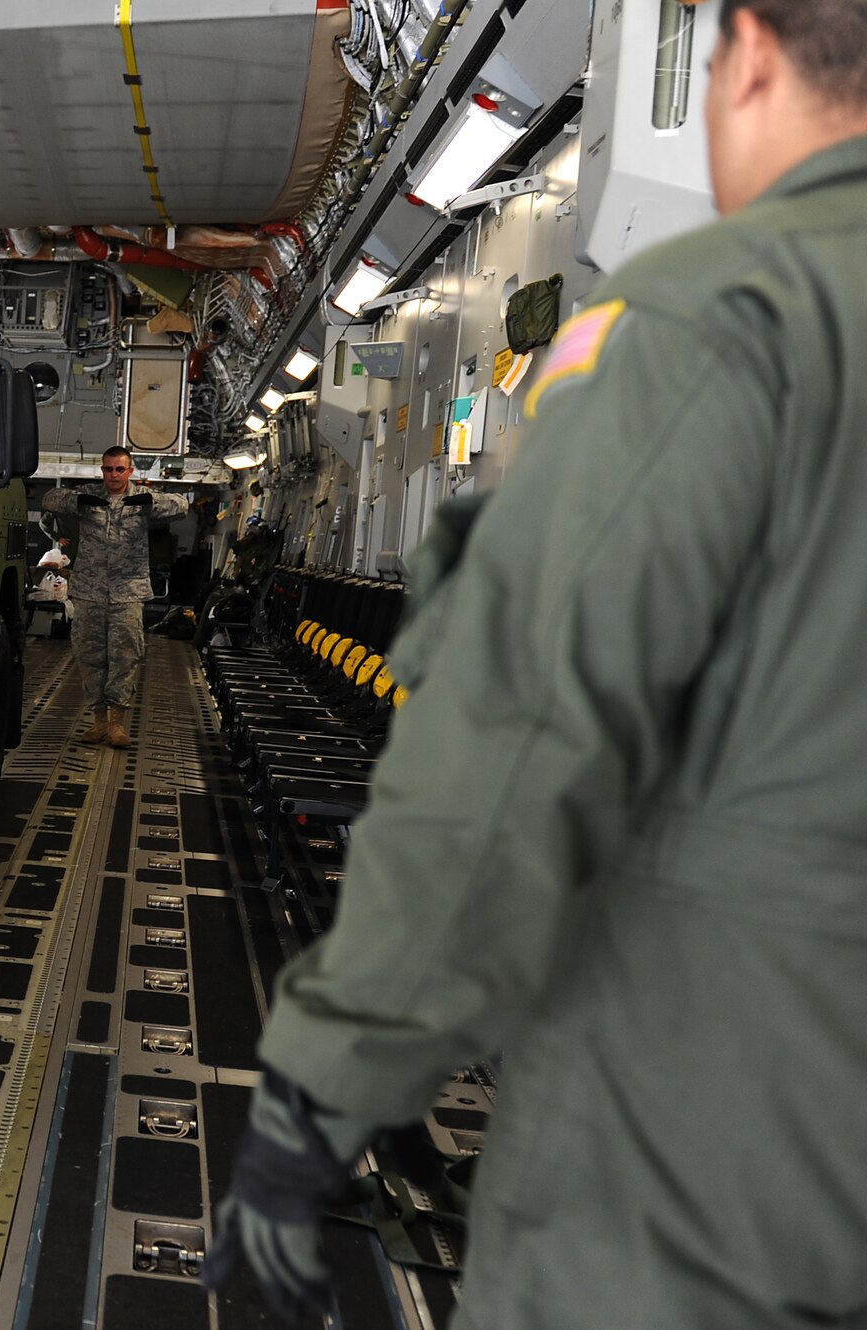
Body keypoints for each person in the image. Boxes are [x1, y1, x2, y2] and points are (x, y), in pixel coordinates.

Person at [206, 4, 867, 1326]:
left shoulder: (720, 322)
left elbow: (507, 759)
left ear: (738, 53)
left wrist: (321, 1091)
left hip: (702, 1196)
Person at [38, 446, 187, 747]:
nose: (114, 475)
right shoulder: (89, 496)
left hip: (128, 592)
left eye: (120, 469)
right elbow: (50, 500)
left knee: (125, 656)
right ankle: (99, 721)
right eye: (108, 469)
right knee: (90, 656)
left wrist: (150, 500)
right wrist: (77, 500)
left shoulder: (142, 500)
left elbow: (181, 504)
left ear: (130, 471)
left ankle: (117, 724)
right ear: (102, 470)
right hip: (90, 591)